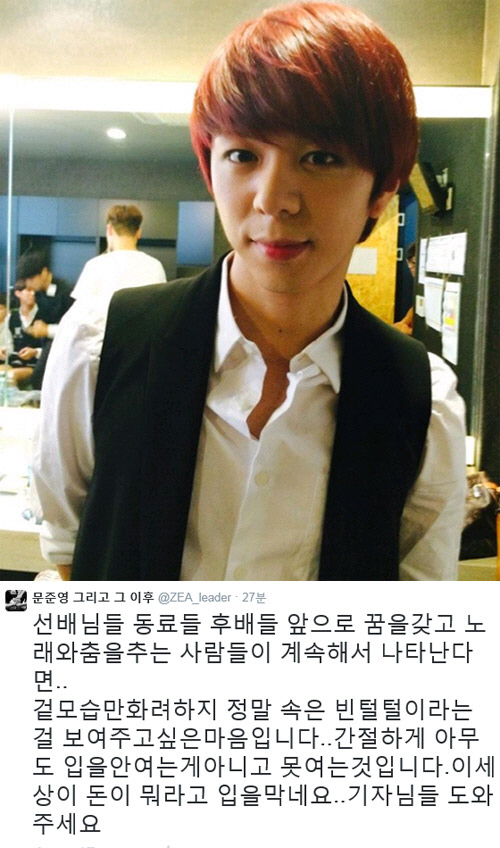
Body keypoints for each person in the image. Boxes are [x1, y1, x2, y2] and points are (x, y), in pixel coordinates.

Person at [32, 1, 466, 582]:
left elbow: (411, 604)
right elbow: (69, 552)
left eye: (321, 157)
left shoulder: (422, 399)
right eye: (243, 155)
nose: (272, 199)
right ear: (211, 170)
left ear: (381, 193)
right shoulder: (100, 344)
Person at [71, 204, 166, 302]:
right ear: (139, 232)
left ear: (109, 229)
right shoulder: (155, 266)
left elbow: (81, 306)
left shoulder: (95, 265)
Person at [16, 251, 74, 388]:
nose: (28, 284)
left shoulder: (68, 292)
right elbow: (32, 326)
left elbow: (75, 329)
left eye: (31, 279)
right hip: (44, 349)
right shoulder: (37, 294)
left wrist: (47, 330)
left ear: (43, 272)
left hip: (66, 350)